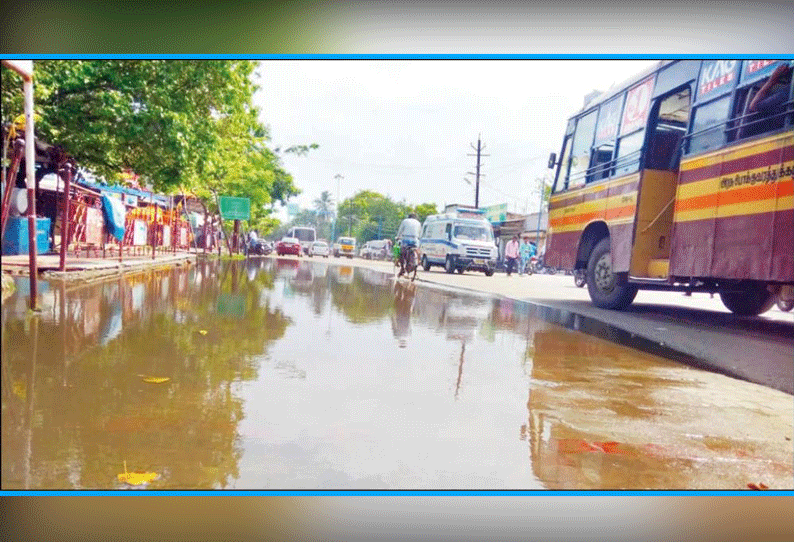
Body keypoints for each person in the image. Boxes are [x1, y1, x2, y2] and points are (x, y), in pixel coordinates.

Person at [395, 212, 421, 277]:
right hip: (415, 240)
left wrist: (398, 237)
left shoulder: (405, 221)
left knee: (401, 253)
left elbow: (400, 230)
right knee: (417, 250)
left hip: (406, 239)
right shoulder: (418, 223)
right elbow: (420, 233)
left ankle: (402, 268)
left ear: (409, 217)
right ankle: (419, 260)